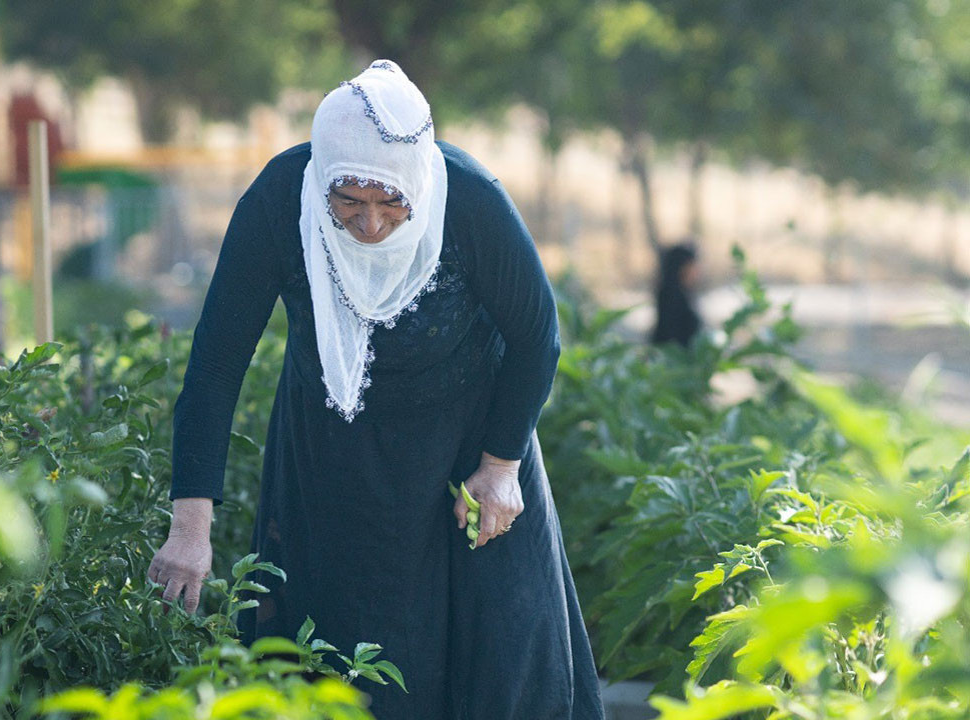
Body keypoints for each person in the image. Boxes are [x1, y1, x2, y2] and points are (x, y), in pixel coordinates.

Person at [147, 60, 606, 719]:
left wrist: (501, 466)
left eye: (392, 202)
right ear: (322, 179)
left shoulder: (470, 199)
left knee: (495, 658)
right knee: (331, 664)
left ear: (418, 181)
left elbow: (538, 336)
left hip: (467, 460)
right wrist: (189, 527)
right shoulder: (282, 199)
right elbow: (216, 364)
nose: (369, 224)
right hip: (328, 463)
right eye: (348, 202)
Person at [649, 242, 703, 347]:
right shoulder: (670, 296)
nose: (697, 271)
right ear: (682, 268)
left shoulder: (686, 294)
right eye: (692, 265)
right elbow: (670, 335)